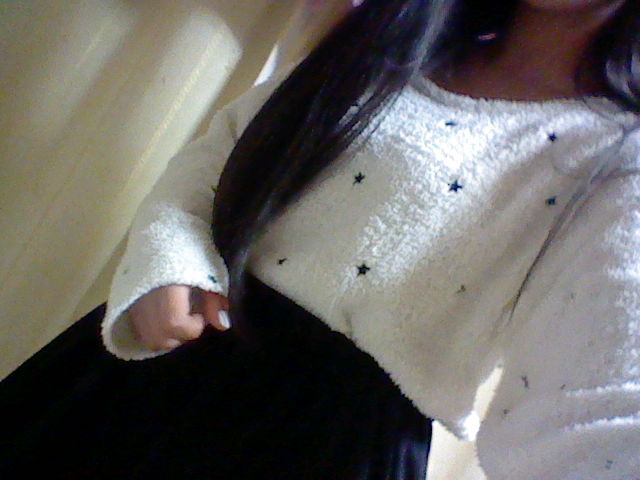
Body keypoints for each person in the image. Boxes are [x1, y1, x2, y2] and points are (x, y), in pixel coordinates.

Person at [1, 0, 639, 478]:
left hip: (329, 445)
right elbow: (216, 161)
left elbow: (599, 400)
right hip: (170, 366)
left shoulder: (618, 157)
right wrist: (168, 263)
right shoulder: (386, 42)